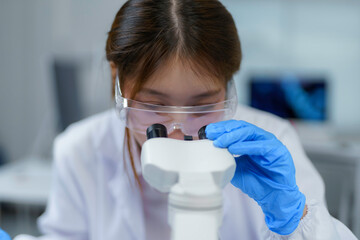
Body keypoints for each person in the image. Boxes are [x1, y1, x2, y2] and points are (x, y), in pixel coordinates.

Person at [15, 0, 357, 239]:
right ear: (118, 81)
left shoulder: (273, 140)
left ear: (227, 87)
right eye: (153, 105)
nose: (178, 135)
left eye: (202, 106)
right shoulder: (80, 150)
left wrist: (294, 222)